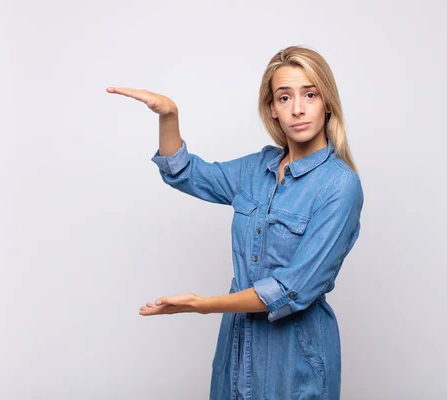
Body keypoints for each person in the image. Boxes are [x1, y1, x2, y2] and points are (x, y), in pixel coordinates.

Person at [106, 45, 364, 400]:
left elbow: (292, 288)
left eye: (310, 94)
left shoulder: (339, 185)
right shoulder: (258, 169)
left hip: (295, 357)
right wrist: (169, 115)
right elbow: (186, 174)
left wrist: (203, 304)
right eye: (284, 97)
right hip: (239, 345)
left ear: (327, 102)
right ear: (272, 109)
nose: (298, 108)